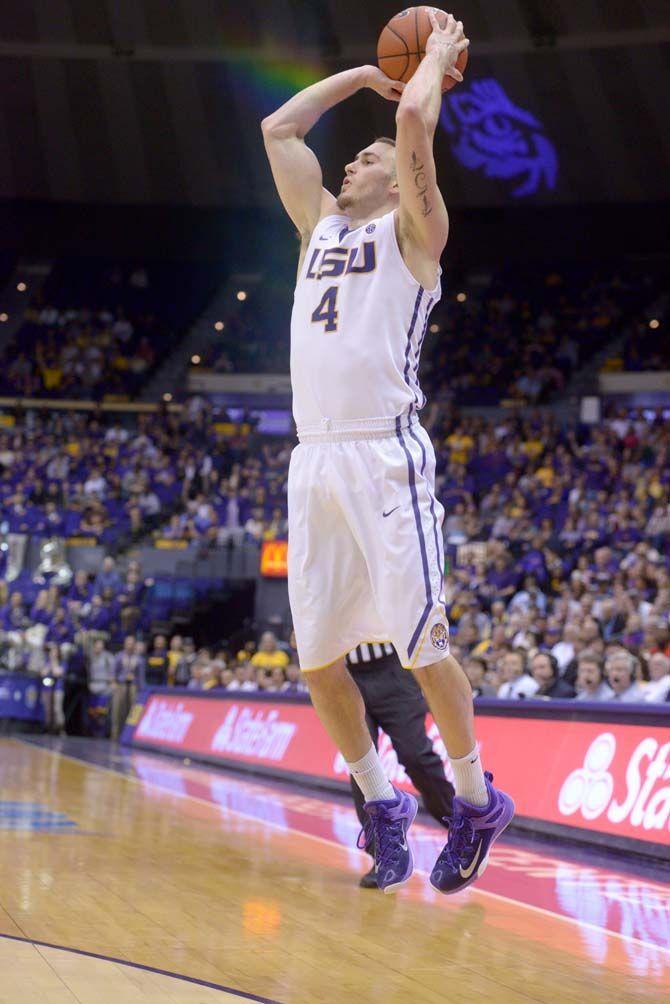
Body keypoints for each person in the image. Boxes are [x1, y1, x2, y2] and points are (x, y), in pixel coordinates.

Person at [262, 10, 513, 895]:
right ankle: (382, 804)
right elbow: (279, 129)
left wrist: (433, 65)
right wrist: (362, 78)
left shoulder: (415, 234)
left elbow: (412, 129)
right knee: (319, 662)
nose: (350, 163)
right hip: (314, 461)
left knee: (418, 649)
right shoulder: (318, 230)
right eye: (354, 159)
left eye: (362, 158)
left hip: (384, 457)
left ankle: (476, 799)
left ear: (394, 181)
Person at [347, 644, 454, 888]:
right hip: (346, 677)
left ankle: (457, 824)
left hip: (393, 670)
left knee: (416, 755)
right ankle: (382, 856)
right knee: (362, 766)